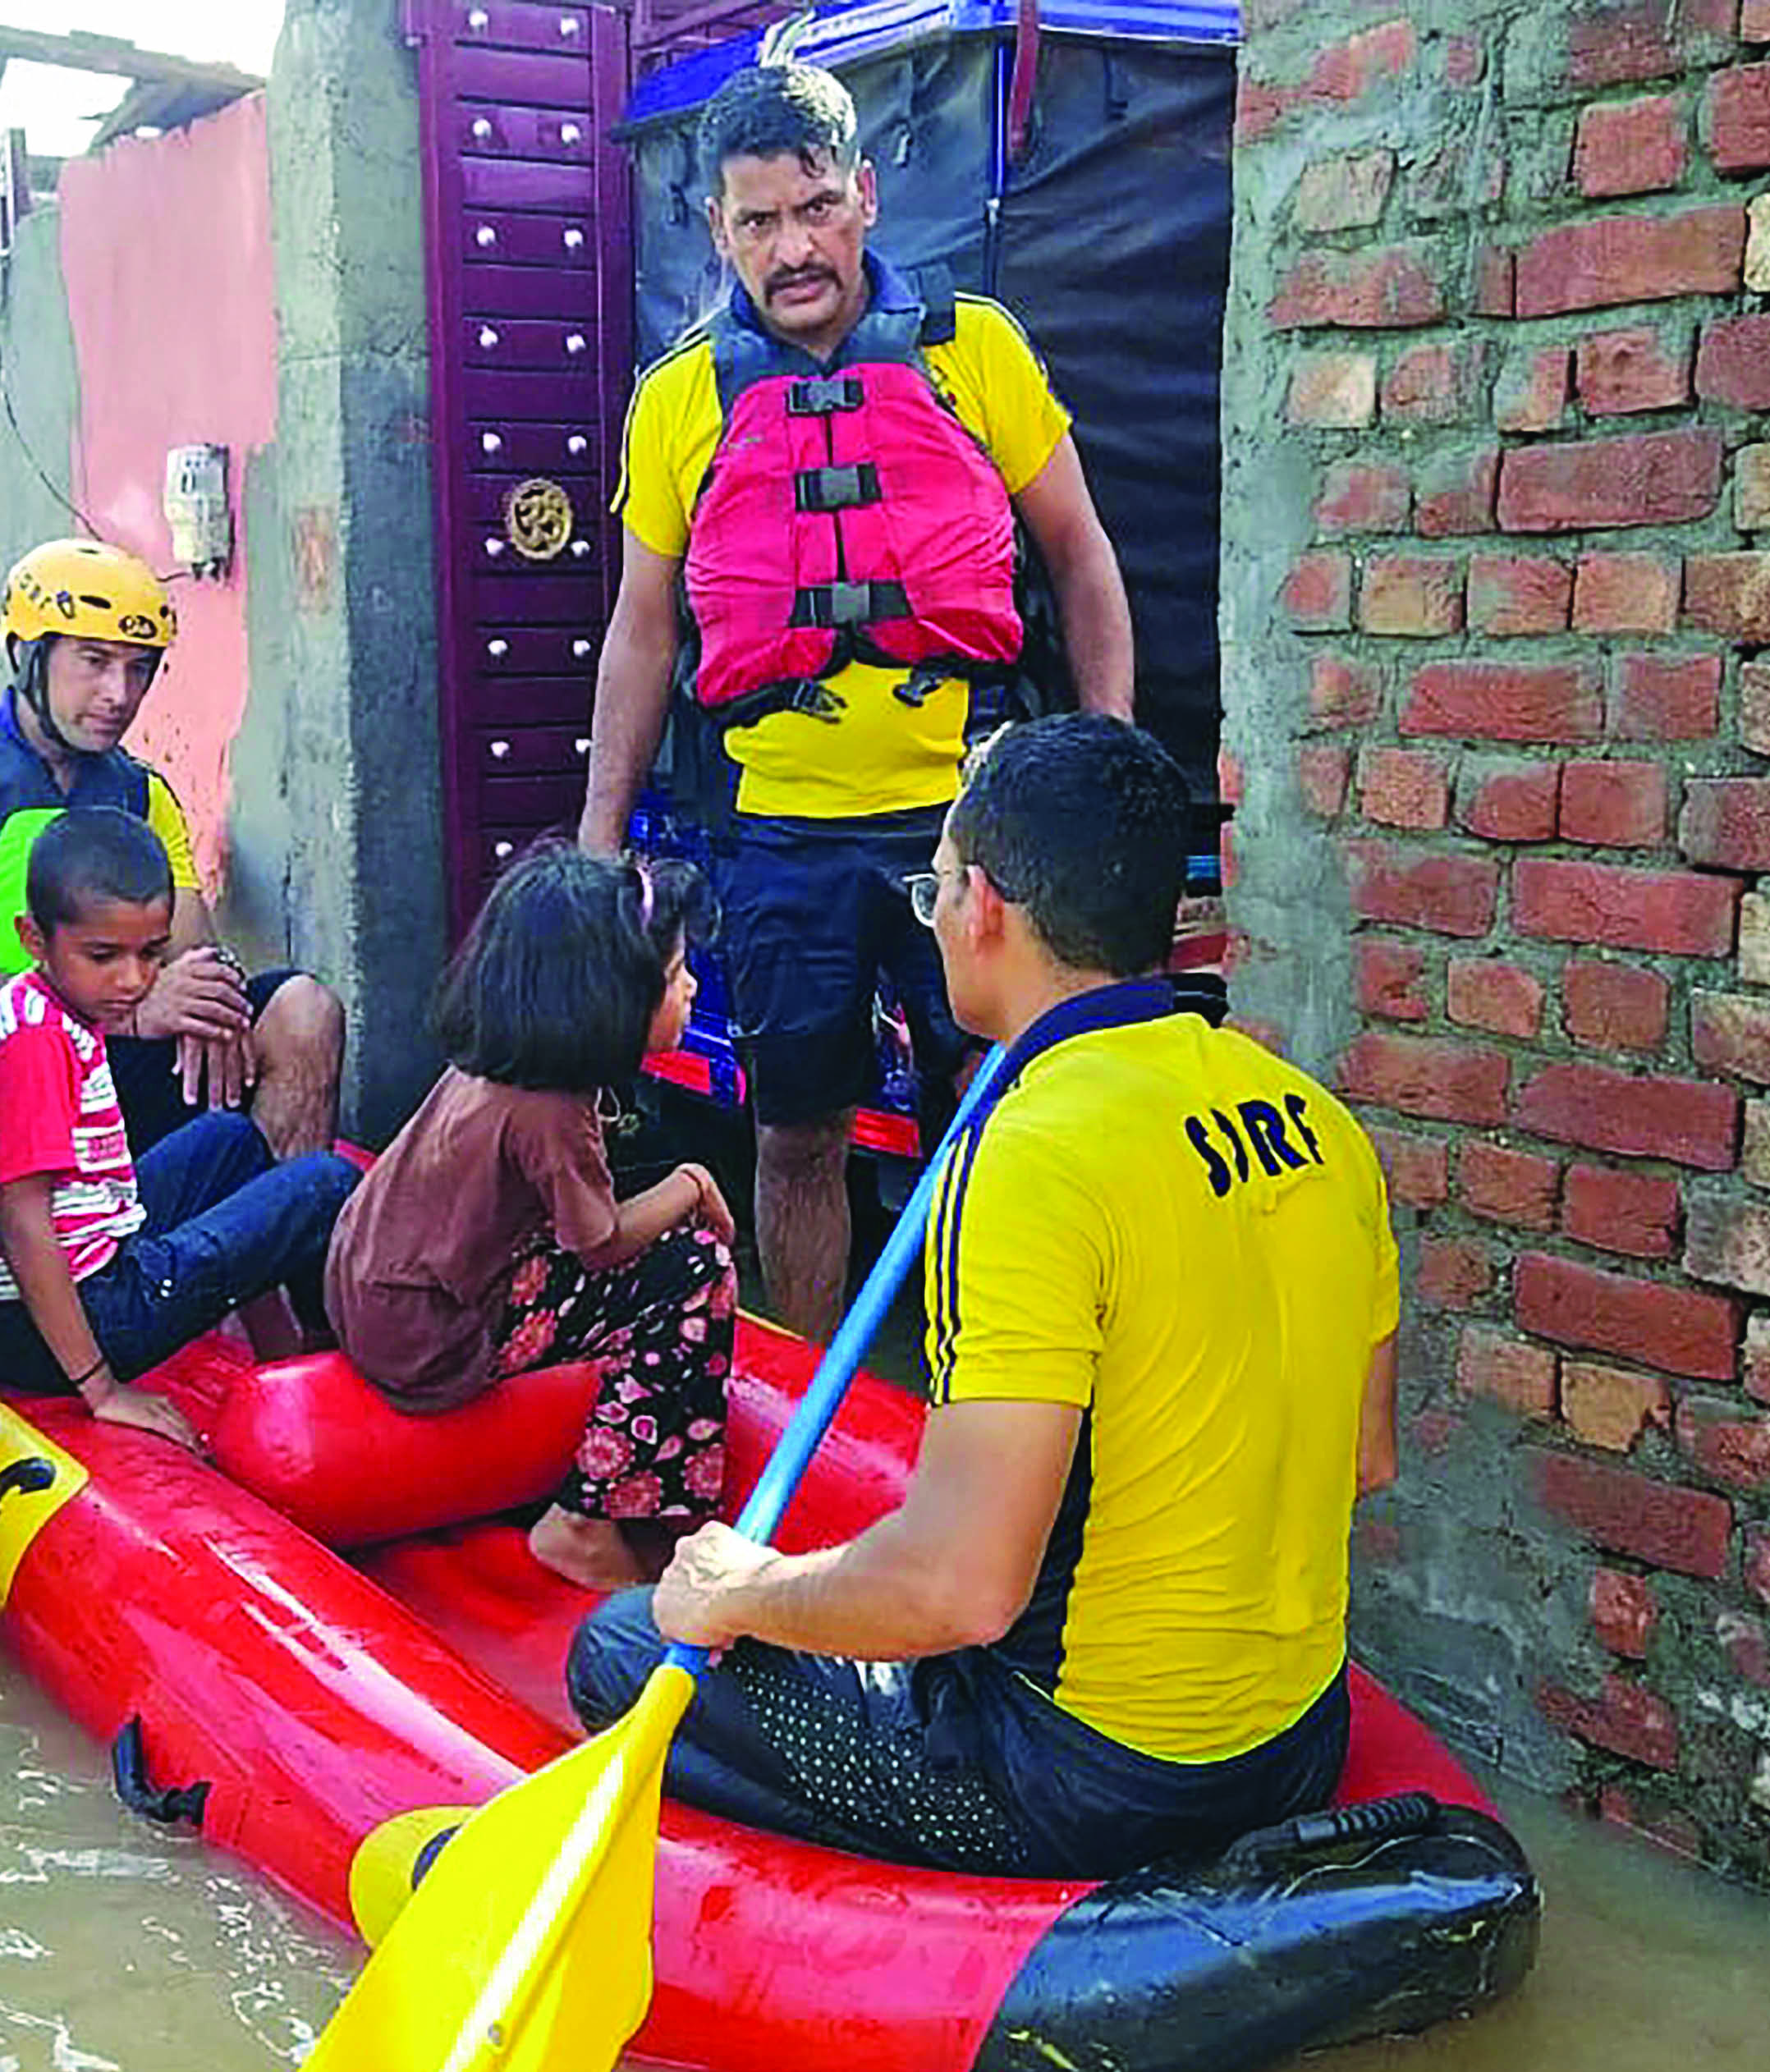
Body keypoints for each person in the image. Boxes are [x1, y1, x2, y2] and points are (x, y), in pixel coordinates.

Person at [566, 715, 1399, 1881]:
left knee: (620, 1644)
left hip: (1087, 1784)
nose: (938, 912)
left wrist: (748, 1590)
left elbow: (963, 1589)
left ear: (985, 907)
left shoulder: (1024, 1151)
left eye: (938, 885)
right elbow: (1363, 1461)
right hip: (1301, 1745)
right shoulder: (1319, 1120)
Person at [575, 58, 1136, 1338]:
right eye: (759, 221)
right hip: (779, 838)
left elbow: (1082, 554)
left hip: (973, 826)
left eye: (817, 206)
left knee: (1001, 1125)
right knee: (794, 1133)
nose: (794, 247)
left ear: (867, 198)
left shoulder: (972, 351)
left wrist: (1104, 757)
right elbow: (643, 628)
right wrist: (602, 838)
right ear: (718, 230)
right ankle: (812, 1423)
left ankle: (988, 1389)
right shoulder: (677, 402)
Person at [327, 846, 739, 1590]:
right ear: (608, 996)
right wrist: (692, 1184)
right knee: (696, 1267)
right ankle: (586, 1521)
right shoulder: (553, 1108)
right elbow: (602, 1244)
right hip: (432, 1343)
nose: (689, 989)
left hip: (376, 1300)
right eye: (675, 977)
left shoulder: (498, 1061)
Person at [0, 539, 345, 1158]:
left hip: (107, 1074)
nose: (120, 692)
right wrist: (116, 1015)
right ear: (28, 655)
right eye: (94, 661)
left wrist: (207, 998)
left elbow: (196, 953)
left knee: (304, 1012)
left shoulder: (142, 791)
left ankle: (277, 1231)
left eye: (139, 667)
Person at [0, 810, 361, 1450]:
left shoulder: (51, 1003)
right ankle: (339, 1371)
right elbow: (22, 1224)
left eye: (151, 954)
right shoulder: (36, 1044)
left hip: (75, 1269)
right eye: (103, 956)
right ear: (34, 939)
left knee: (231, 1141)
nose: (133, 979)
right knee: (325, 1185)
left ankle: (285, 1359)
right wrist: (102, 1388)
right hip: (50, 1326)